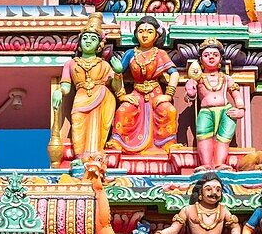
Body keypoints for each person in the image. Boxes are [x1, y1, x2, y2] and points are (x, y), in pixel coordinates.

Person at [52, 12, 120, 159]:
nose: (88, 41)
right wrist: (59, 91)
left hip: (101, 97)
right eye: (85, 38)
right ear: (80, 43)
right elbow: (66, 86)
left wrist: (119, 72)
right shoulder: (71, 64)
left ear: (99, 45)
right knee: (77, 124)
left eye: (93, 39)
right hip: (80, 98)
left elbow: (115, 86)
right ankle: (79, 157)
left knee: (97, 126)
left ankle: (94, 156)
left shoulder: (104, 64)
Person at [110, 16, 178, 154]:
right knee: (123, 110)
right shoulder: (130, 54)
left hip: (156, 93)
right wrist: (122, 95)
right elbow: (117, 75)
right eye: (141, 31)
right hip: (137, 93)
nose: (144, 35)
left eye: (149, 31)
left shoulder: (160, 53)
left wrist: (168, 95)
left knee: (169, 110)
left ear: (156, 35)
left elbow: (175, 73)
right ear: (136, 33)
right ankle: (118, 141)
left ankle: (167, 143)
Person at [185, 39, 245, 169]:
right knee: (202, 134)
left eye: (215, 55)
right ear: (200, 60)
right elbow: (191, 96)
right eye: (206, 55)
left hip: (226, 110)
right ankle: (206, 164)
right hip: (206, 110)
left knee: (224, 137)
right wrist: (190, 91)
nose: (211, 57)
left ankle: (219, 163)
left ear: (220, 59)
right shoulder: (198, 78)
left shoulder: (225, 77)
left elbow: (235, 93)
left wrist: (241, 109)